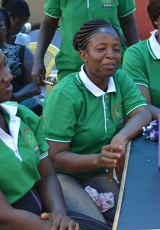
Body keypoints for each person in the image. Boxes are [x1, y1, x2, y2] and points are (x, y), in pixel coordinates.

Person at [0, 32, 78, 230]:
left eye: (5, 64)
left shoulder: (22, 116)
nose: (9, 76)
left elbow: (47, 176)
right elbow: (2, 218)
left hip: (43, 217)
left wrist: (60, 218)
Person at [43, 19, 151, 225]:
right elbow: (55, 157)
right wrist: (98, 160)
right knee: (96, 225)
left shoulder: (119, 79)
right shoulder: (65, 95)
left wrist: (121, 137)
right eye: (101, 49)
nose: (111, 55)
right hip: (62, 176)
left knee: (132, 217)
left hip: (97, 173)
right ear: (84, 55)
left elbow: (143, 112)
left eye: (116, 49)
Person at [0, 5, 42, 115]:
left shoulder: (22, 51)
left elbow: (35, 86)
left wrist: (13, 98)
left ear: (7, 27)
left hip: (17, 106)